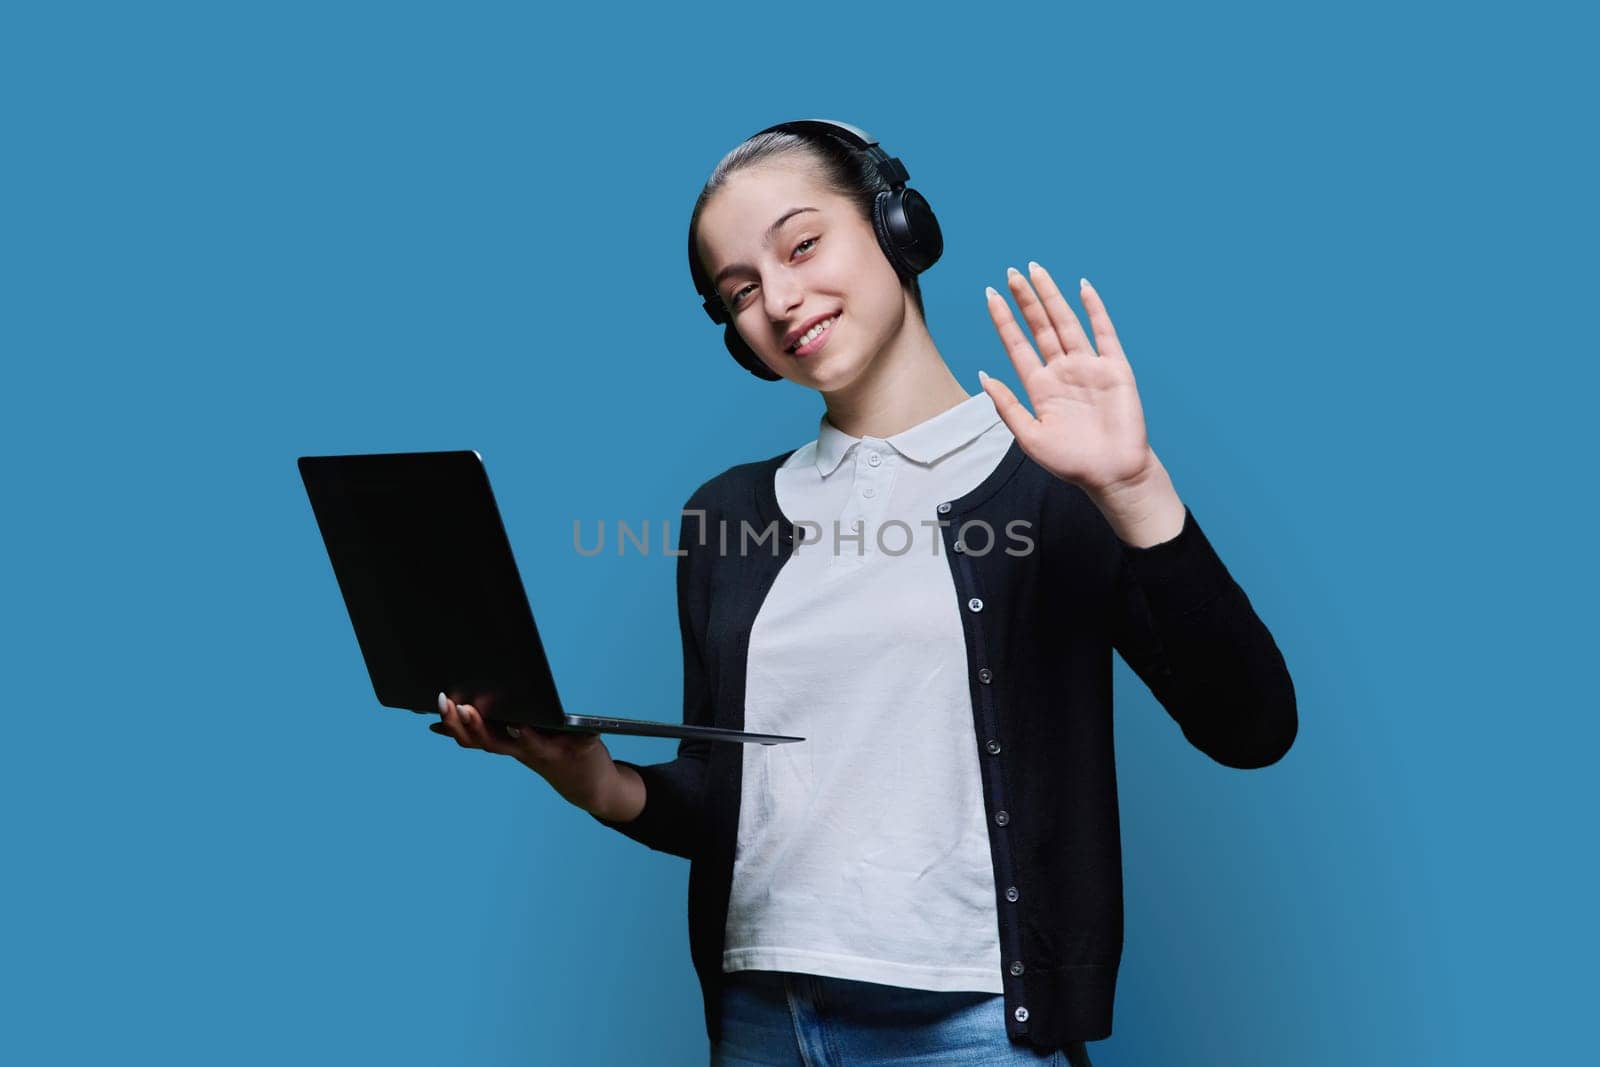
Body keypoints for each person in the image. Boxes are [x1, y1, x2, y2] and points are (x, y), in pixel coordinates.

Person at [434, 120, 1298, 1066]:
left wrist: (1133, 491)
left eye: (801, 245)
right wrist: (598, 784)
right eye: (742, 291)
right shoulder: (726, 516)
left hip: (968, 1031)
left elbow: (1251, 727)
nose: (781, 300)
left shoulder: (1055, 480)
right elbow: (733, 801)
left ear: (896, 226)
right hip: (762, 1020)